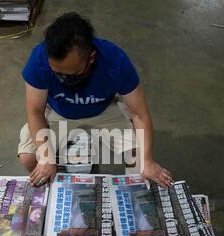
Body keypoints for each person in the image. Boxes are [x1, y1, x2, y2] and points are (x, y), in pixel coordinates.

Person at [18, 12, 173, 188]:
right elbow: (35, 112)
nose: (64, 79)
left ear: (91, 58)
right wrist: (47, 158)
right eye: (57, 73)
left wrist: (147, 161)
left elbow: (139, 114)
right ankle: (59, 188)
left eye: (73, 73)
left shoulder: (115, 62)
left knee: (138, 159)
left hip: (104, 109)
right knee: (30, 158)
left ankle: (132, 196)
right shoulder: (39, 59)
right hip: (58, 111)